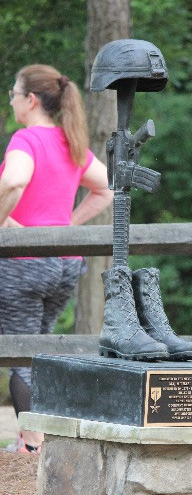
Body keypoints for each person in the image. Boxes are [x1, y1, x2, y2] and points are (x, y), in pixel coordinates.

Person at [0, 64, 113, 454]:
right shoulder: (70, 142)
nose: (12, 100)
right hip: (65, 264)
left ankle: (32, 446)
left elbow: (14, 181)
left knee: (21, 355)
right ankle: (34, 441)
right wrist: (65, 225)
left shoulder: (26, 140)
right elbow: (105, 190)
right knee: (39, 351)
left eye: (14, 93)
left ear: (30, 100)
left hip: (25, 262)